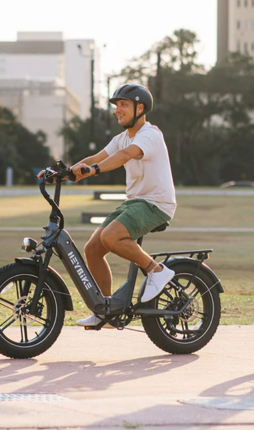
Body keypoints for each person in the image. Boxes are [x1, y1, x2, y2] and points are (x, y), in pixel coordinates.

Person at [68, 84, 177, 327]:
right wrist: (64, 171)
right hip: (134, 203)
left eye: (123, 105)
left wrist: (93, 170)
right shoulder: (121, 138)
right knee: (92, 250)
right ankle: (106, 311)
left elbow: (124, 156)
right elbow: (96, 158)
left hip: (156, 204)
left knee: (110, 237)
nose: (118, 110)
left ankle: (156, 271)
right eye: (117, 105)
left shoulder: (149, 135)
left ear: (141, 108)